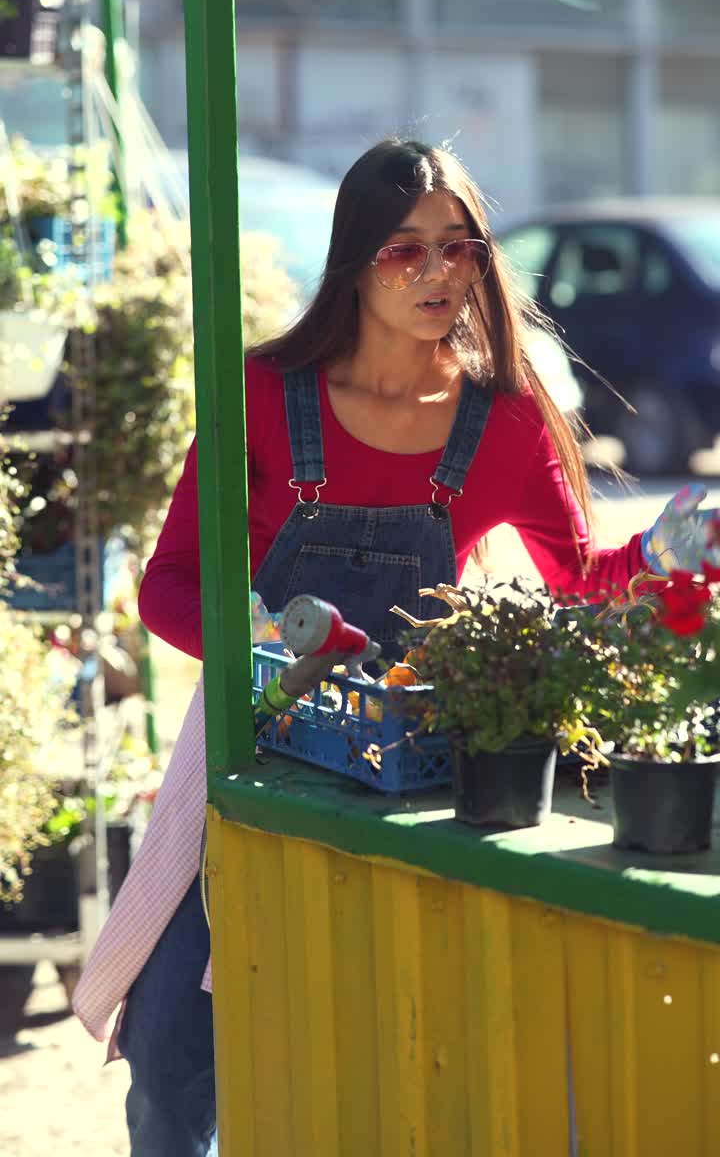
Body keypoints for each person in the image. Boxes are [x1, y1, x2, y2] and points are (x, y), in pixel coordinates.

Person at [72, 138, 720, 1157]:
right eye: (403, 250)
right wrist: (261, 655)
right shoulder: (257, 394)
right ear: (353, 261)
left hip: (418, 783)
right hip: (246, 767)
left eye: (456, 248)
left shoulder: (501, 419)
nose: (436, 272)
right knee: (170, 1065)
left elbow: (583, 580)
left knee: (393, 1066)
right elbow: (169, 583)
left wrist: (682, 544)